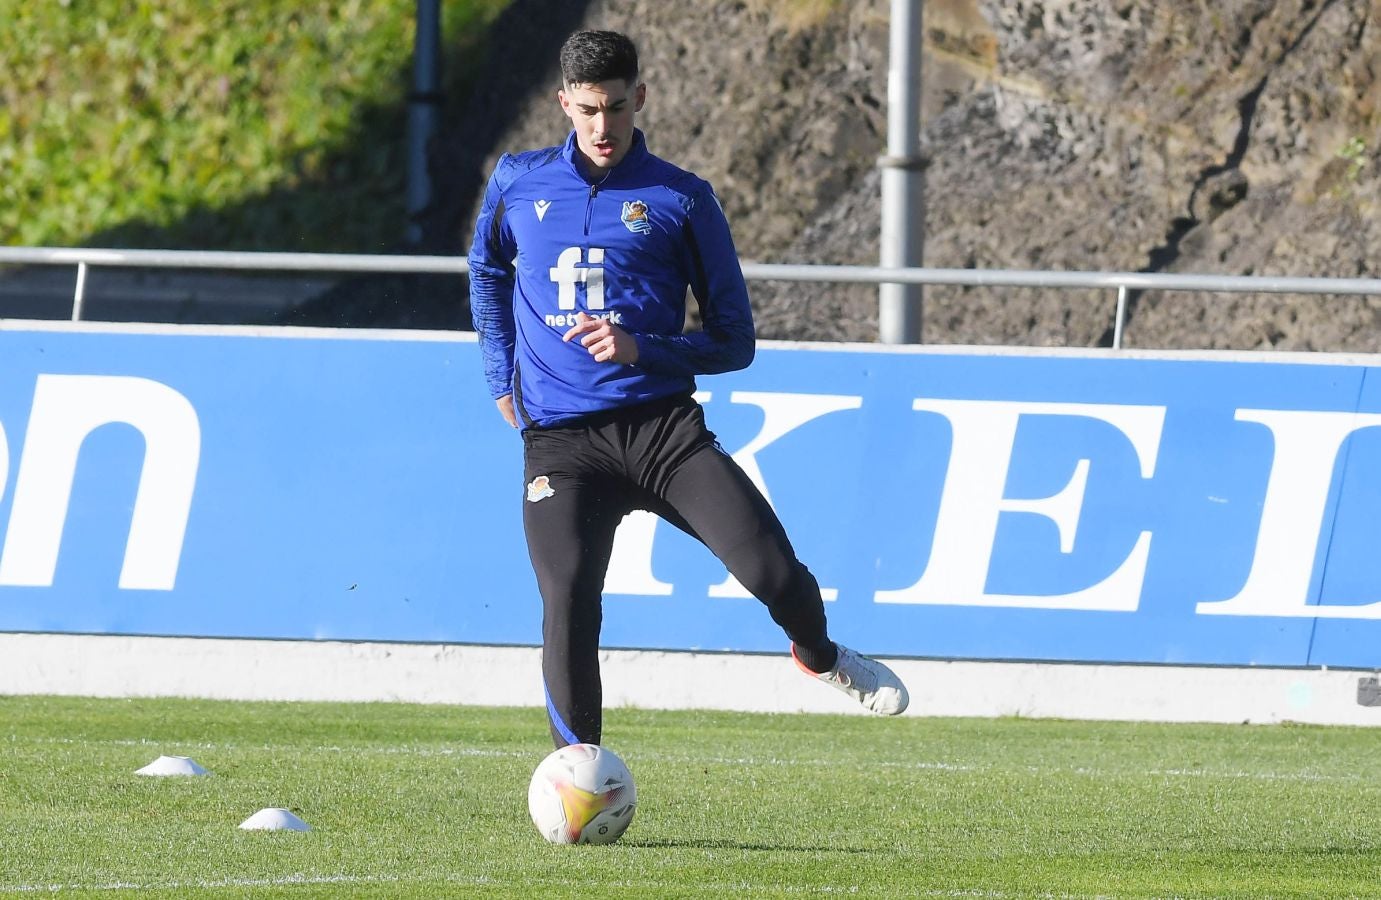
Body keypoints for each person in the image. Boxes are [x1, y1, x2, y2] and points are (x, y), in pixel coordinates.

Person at [468, 29, 908, 748]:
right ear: (563, 103)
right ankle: (580, 773)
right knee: (567, 601)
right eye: (587, 109)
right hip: (561, 443)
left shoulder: (682, 199)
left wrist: (642, 347)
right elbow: (486, 269)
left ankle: (822, 656)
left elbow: (735, 341)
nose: (602, 127)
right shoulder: (518, 180)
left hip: (662, 434)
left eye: (615, 107)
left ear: (640, 97)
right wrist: (499, 372)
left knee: (771, 573)